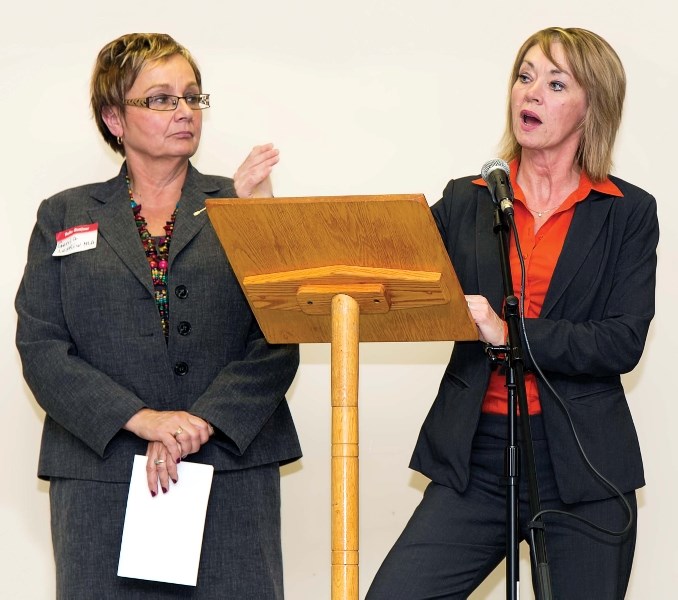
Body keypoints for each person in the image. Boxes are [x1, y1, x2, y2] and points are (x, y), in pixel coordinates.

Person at [367, 27, 658, 599]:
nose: (531, 93)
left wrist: (510, 333)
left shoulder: (627, 211)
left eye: (554, 83)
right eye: (524, 77)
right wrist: (270, 215)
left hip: (583, 466)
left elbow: (621, 342)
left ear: (592, 105)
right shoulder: (467, 197)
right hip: (477, 458)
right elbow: (384, 270)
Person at [15, 33, 301, 599]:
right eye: (160, 99)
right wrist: (142, 419)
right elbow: (42, 348)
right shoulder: (63, 213)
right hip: (103, 473)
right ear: (114, 118)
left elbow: (281, 334)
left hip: (228, 467)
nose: (184, 112)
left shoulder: (239, 201)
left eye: (193, 97)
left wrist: (201, 422)